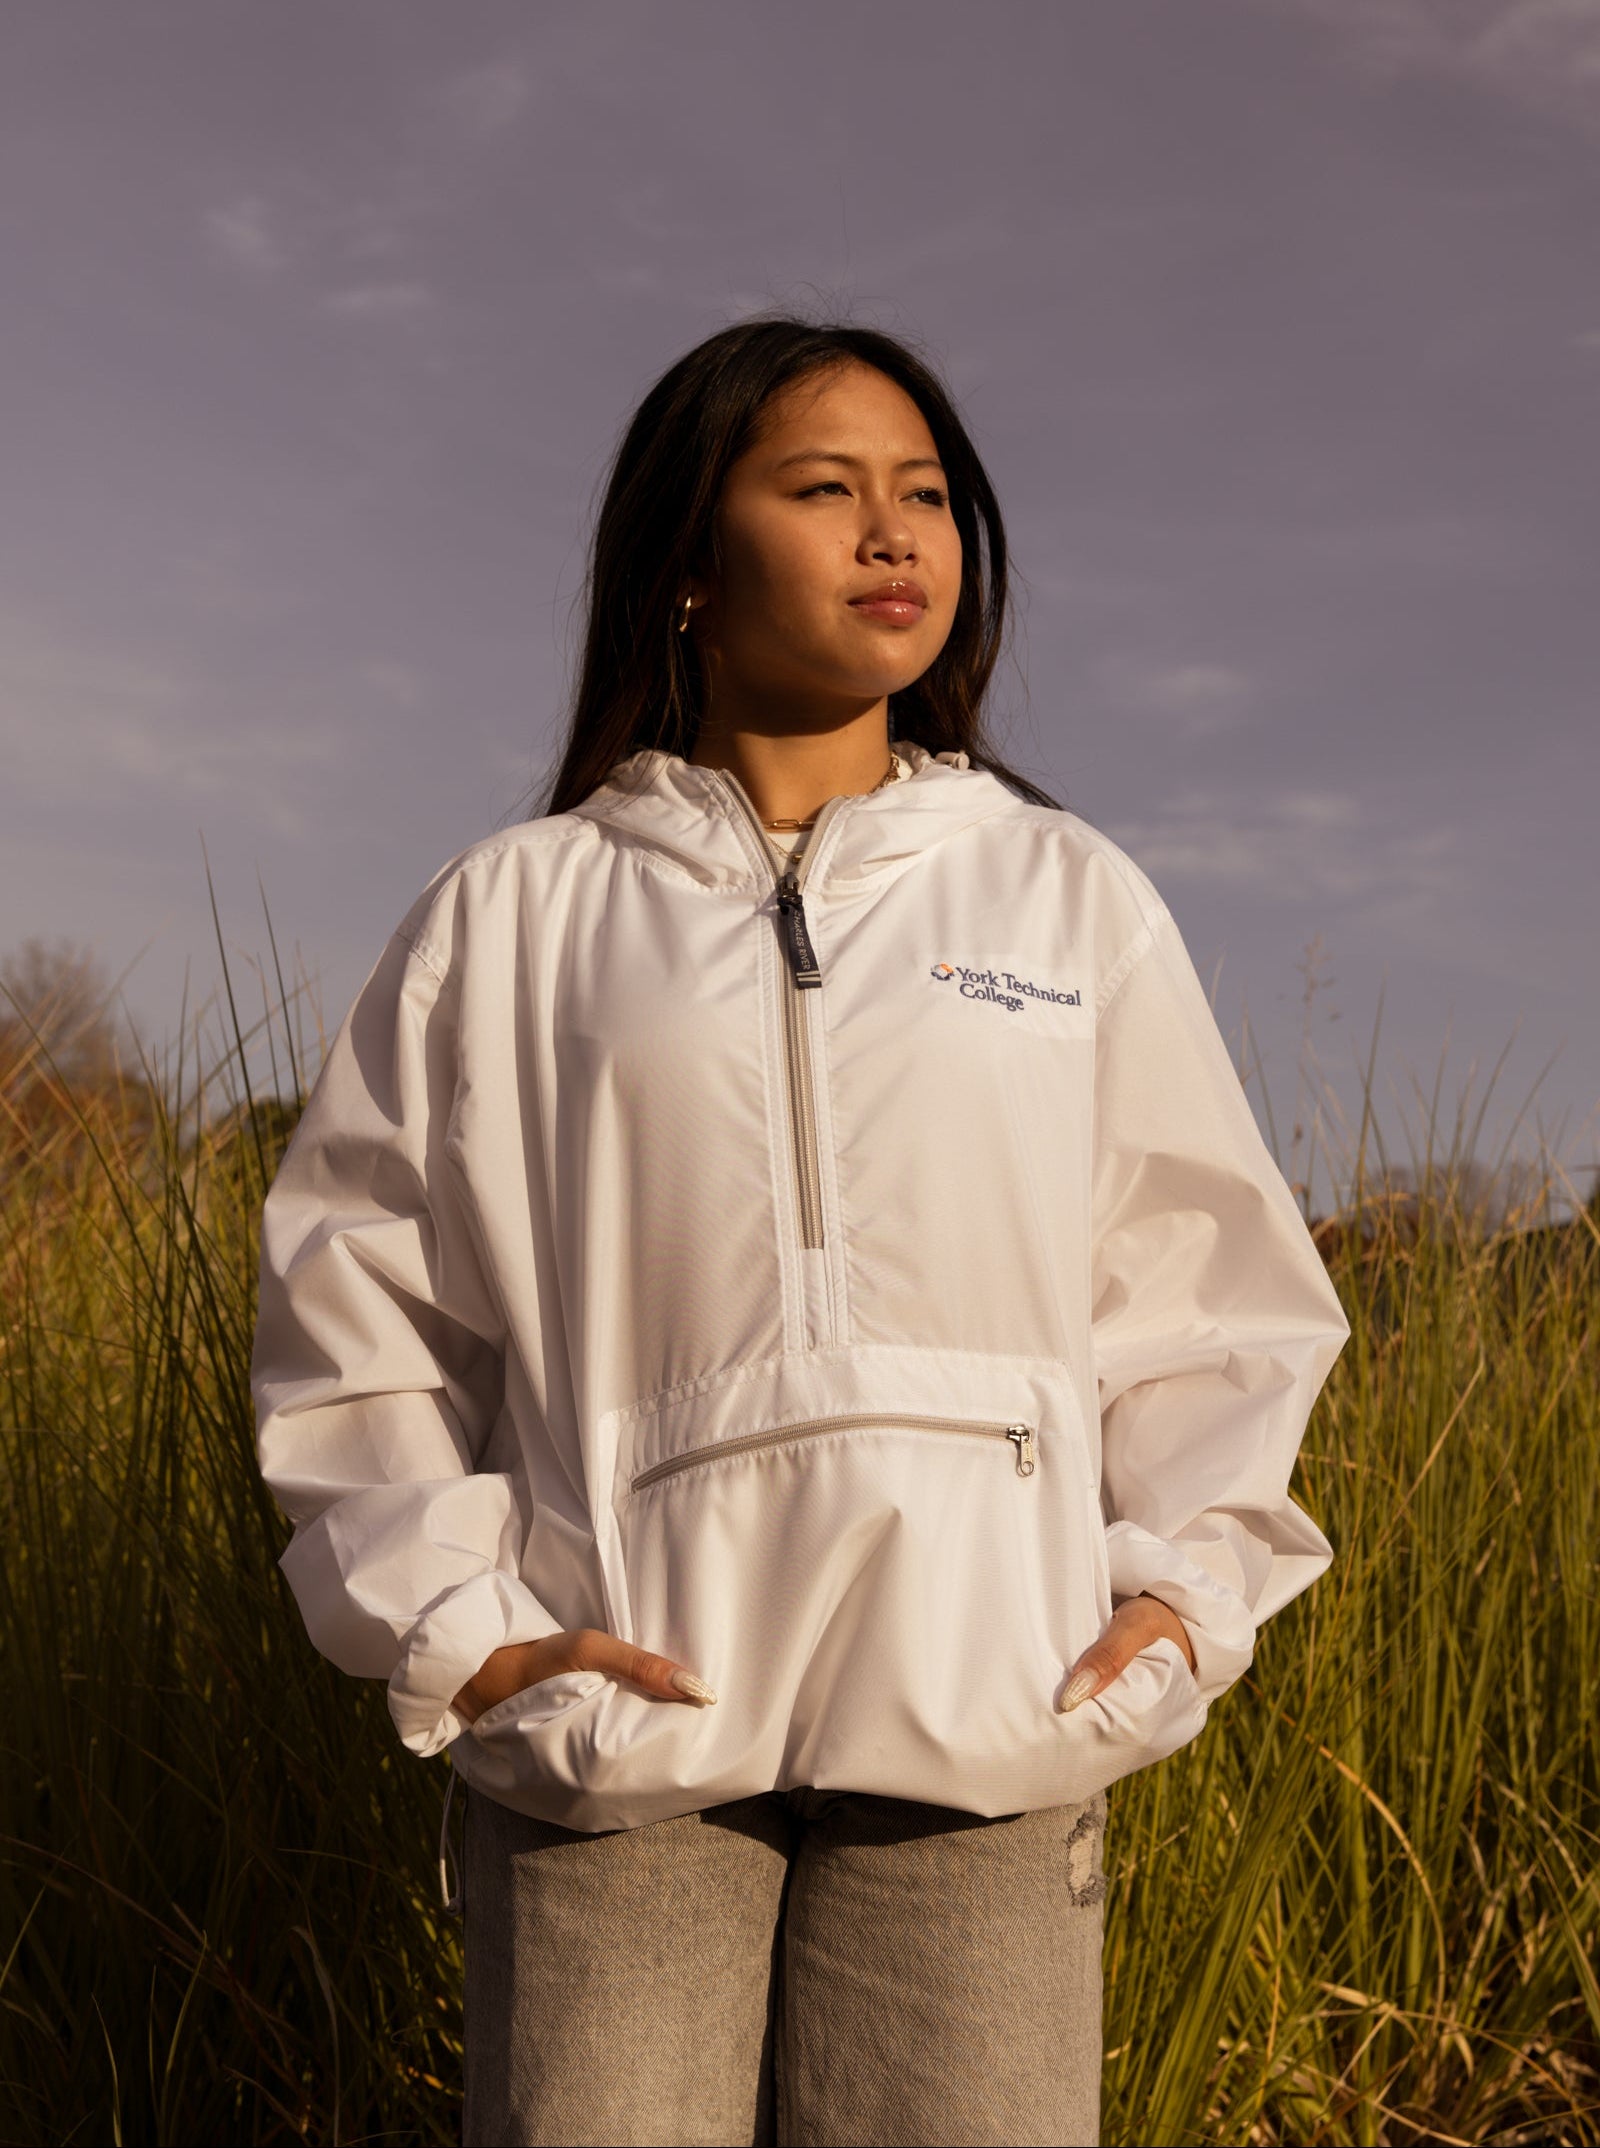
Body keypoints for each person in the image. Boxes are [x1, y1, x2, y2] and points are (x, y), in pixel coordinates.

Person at [251, 317, 1350, 2147]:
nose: (893, 534)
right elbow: (356, 1308)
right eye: (825, 489)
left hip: (988, 1733)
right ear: (687, 561)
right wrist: (476, 1634)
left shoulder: (1062, 892)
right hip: (625, 1744)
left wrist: (1176, 1595)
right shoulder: (512, 919)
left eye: (924, 495)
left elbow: (1202, 1285)